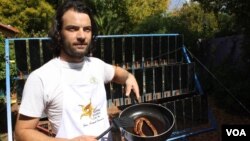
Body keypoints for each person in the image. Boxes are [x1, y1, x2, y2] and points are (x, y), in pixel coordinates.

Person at [14, 0, 140, 141]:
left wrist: (129, 77)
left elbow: (116, 72)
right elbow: (21, 132)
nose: (82, 36)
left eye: (87, 29)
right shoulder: (41, 78)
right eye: (72, 29)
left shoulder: (97, 65)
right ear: (58, 33)